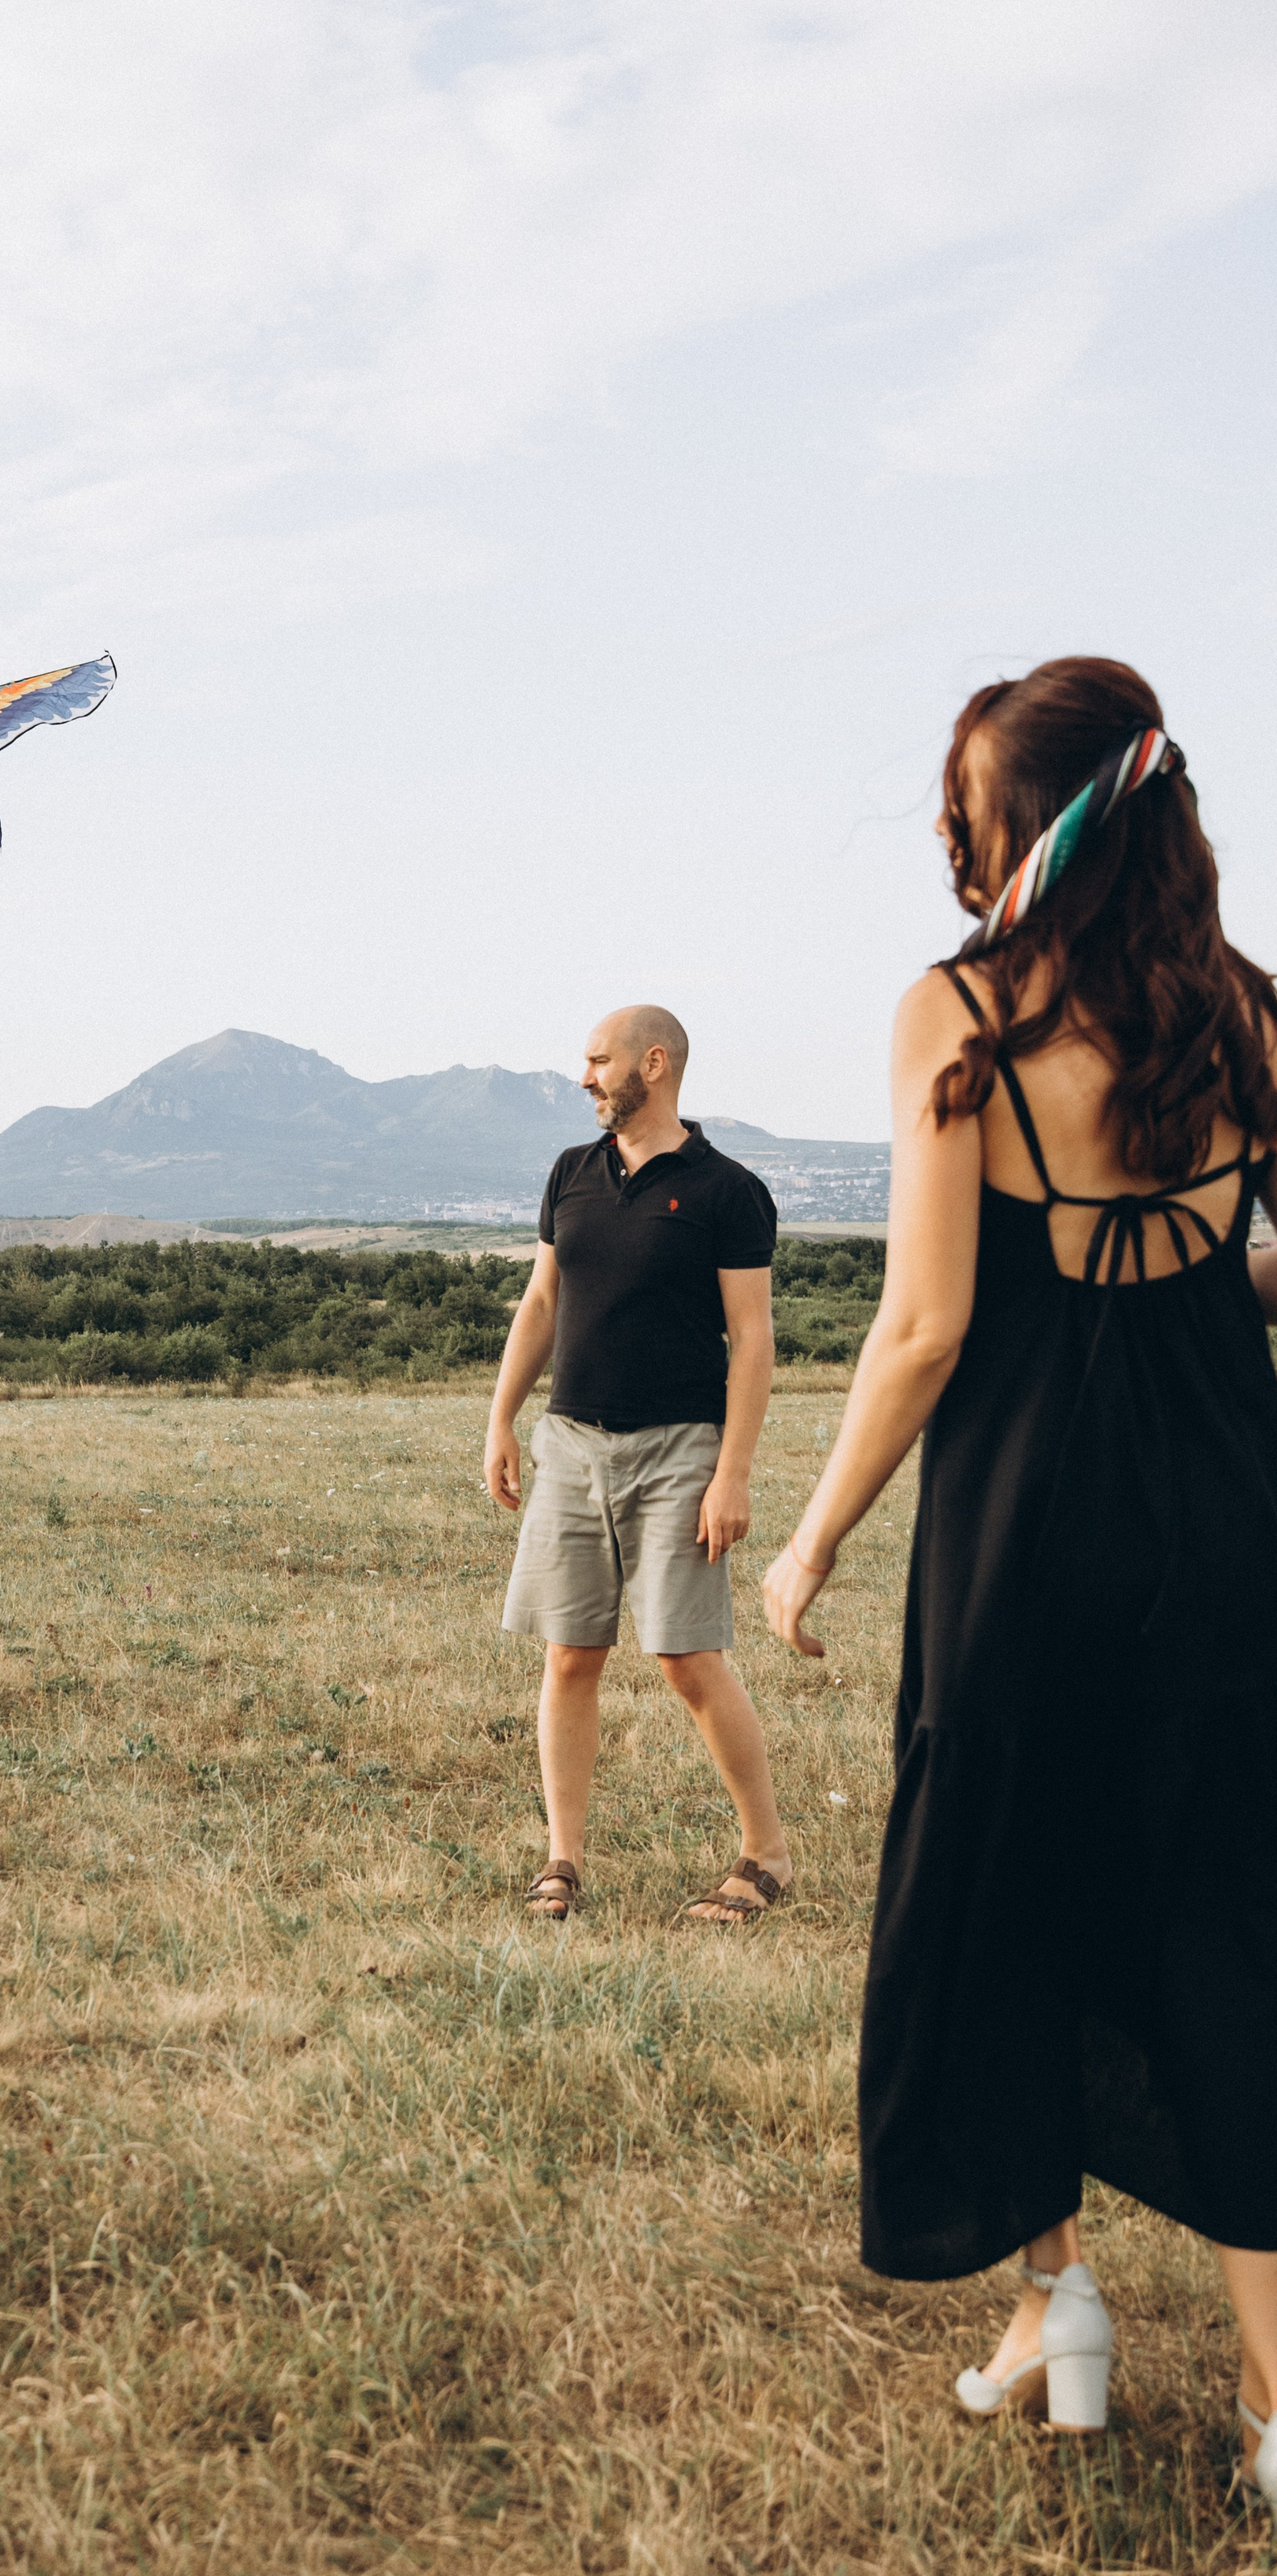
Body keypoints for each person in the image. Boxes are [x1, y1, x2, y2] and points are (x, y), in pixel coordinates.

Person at [762, 657, 1277, 2488]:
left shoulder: (952, 1012)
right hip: (1226, 1516)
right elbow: (1242, 1267)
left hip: (1023, 1530)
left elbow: (920, 1328)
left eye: (963, 813)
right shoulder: (1248, 1015)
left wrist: (806, 1537)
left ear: (1020, 826)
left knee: (1000, 1895)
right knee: (1224, 1918)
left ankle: (1051, 2302)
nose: (946, 843)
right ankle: (1271, 2402)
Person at [486, 1003, 787, 1924]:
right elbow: (541, 1303)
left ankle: (765, 1853)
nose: (583, 1077)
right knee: (569, 1654)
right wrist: (501, 1417)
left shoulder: (726, 1190)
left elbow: (752, 1339)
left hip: (678, 1451)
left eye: (595, 1060)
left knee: (685, 1658)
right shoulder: (570, 1174)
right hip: (571, 1442)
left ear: (650, 1064)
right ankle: (561, 1860)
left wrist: (731, 1471)